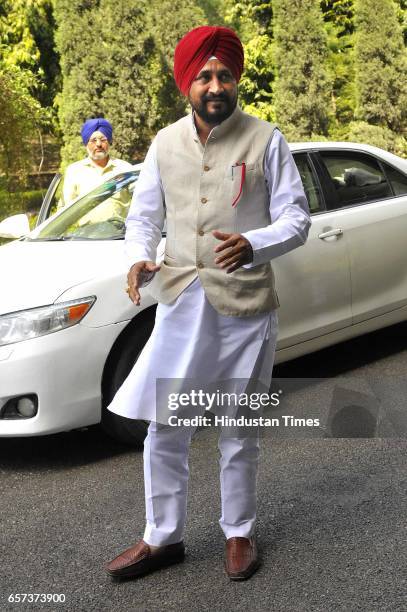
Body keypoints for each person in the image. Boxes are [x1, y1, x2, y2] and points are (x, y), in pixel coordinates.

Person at [105, 26, 311, 581]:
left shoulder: (266, 139)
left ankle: (239, 532)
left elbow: (297, 218)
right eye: (204, 76)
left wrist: (255, 243)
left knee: (238, 426)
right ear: (186, 85)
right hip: (180, 302)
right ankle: (162, 537)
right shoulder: (163, 143)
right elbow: (144, 216)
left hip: (246, 308)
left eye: (224, 75)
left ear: (236, 79)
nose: (215, 85)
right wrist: (138, 256)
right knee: (165, 426)